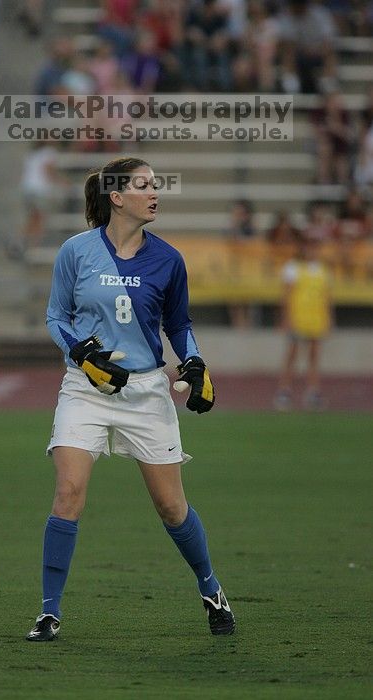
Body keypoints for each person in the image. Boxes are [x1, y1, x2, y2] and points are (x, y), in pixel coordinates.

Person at [26, 156, 235, 642]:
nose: (154, 192)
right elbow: (56, 317)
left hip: (145, 392)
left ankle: (211, 589)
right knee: (69, 491)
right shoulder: (76, 252)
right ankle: (48, 612)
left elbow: (179, 326)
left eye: (156, 184)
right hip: (86, 389)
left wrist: (196, 365)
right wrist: (82, 354)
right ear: (117, 197)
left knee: (171, 507)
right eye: (144, 185)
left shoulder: (168, 259)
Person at [274, 233, 332, 412]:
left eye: (315, 246)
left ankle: (313, 391)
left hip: (316, 318)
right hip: (298, 317)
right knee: (292, 355)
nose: (312, 250)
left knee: (314, 356)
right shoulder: (293, 268)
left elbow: (327, 297)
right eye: (309, 246)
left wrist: (329, 317)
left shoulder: (323, 269)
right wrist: (285, 318)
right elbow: (287, 295)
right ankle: (284, 390)